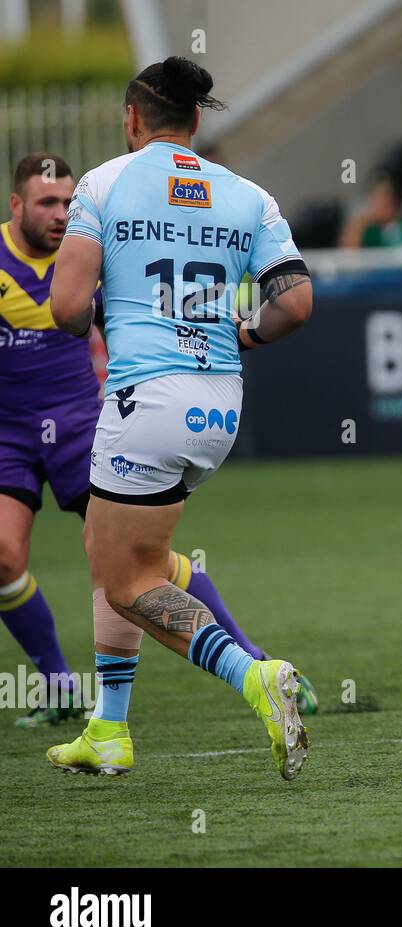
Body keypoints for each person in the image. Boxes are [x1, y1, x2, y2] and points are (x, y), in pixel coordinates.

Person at [48, 56, 314, 777]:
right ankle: (108, 728)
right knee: (113, 551)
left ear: (133, 119)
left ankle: (251, 674)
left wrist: (112, 305)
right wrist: (243, 332)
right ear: (195, 122)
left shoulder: (104, 184)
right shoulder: (247, 196)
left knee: (126, 581)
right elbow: (294, 302)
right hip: (219, 406)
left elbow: (67, 307)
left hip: (145, 400)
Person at [0, 152, 317, 729]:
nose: (60, 213)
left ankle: (254, 665)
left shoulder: (96, 238)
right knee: (41, 556)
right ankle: (75, 698)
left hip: (85, 422)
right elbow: (291, 303)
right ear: (15, 204)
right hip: (14, 434)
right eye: (47, 202)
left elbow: (77, 313)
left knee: (128, 569)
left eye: (67, 203)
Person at [339, 172, 402, 249]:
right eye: (373, 198)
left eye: (379, 199)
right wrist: (357, 226)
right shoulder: (370, 233)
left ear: (395, 202)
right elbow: (348, 261)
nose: (373, 205)